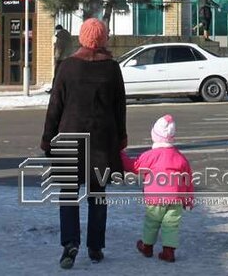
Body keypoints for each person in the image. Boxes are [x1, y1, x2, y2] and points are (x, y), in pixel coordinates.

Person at [41, 18, 127, 269]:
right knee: (97, 194)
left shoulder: (67, 66)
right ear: (103, 39)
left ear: (82, 37)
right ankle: (95, 246)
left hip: (69, 136)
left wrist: (47, 139)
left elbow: (55, 105)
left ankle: (70, 243)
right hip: (102, 138)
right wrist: (121, 138)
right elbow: (120, 107)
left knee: (68, 193)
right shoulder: (112, 68)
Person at [122, 115, 194, 263]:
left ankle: (147, 247)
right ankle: (169, 251)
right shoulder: (180, 157)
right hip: (176, 197)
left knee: (152, 222)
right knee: (171, 224)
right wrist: (188, 199)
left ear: (155, 136)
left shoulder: (150, 156)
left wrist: (119, 154)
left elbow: (134, 167)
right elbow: (188, 179)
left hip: (155, 197)